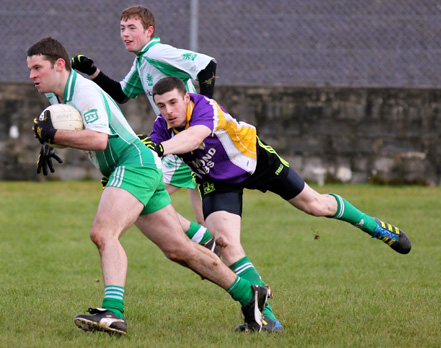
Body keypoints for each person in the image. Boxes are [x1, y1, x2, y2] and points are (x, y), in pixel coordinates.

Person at [27, 37, 272, 335]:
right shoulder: (57, 96)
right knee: (179, 250)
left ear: (60, 65)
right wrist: (50, 142)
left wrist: (55, 136)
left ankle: (113, 312)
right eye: (30, 69)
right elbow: (69, 127)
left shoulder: (83, 90)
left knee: (103, 233)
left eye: (38, 68)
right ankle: (250, 295)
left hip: (133, 164)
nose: (32, 75)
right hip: (133, 168)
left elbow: (99, 139)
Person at [144, 76, 412, 332]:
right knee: (225, 242)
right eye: (161, 105)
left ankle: (374, 227)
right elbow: (151, 162)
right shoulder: (162, 127)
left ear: (186, 98)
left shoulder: (205, 107)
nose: (168, 111)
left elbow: (193, 138)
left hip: (256, 161)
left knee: (316, 205)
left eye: (173, 102)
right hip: (217, 180)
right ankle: (266, 319)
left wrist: (160, 148)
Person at [70, 5, 217, 253]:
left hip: (187, 139)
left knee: (138, 191)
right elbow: (121, 93)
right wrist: (93, 72)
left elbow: (207, 66)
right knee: (208, 228)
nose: (125, 34)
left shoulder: (157, 53)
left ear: (149, 31)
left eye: (132, 28)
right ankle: (237, 273)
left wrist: (203, 116)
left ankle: (215, 256)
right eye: (122, 28)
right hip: (183, 140)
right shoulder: (142, 61)